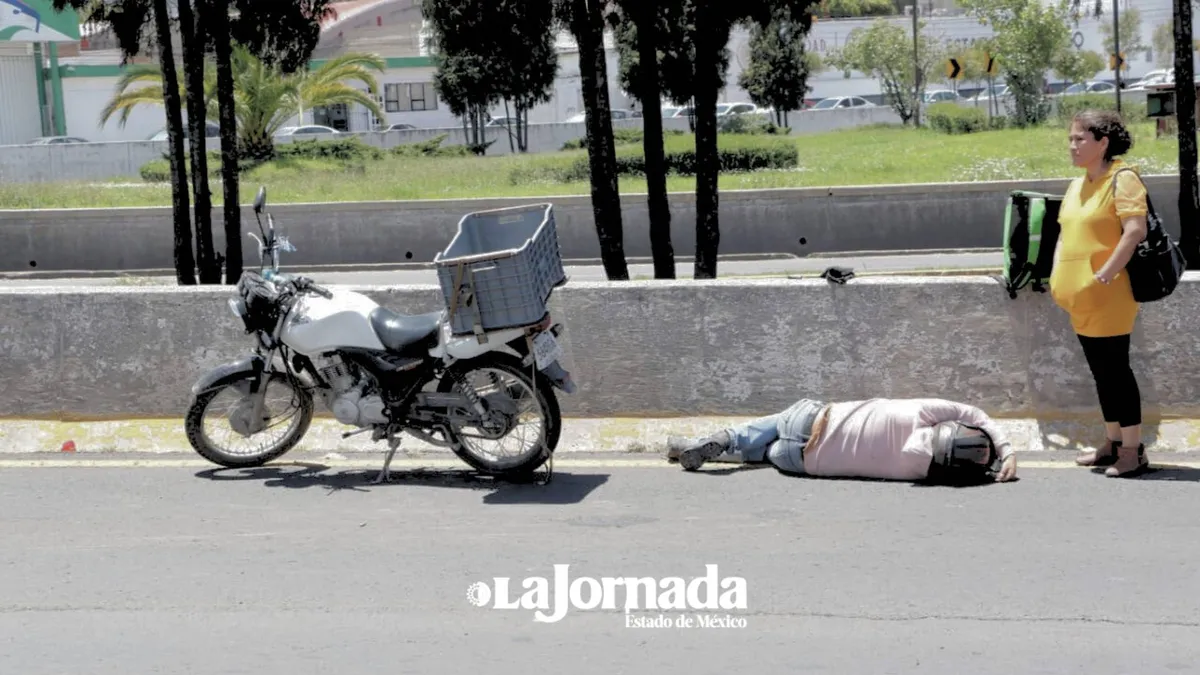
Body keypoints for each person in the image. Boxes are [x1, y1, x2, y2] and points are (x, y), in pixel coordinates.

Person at [1049, 110, 1149, 478]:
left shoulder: (1122, 179)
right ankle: (1111, 442)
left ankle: (1133, 450)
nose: (1072, 146)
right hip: (1079, 296)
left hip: (1109, 294)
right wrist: (1059, 274)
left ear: (1102, 142)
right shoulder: (1077, 185)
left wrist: (1106, 274)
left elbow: (1134, 231)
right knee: (1100, 373)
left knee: (1116, 371)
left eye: (1080, 139)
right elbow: (1064, 234)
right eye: (1070, 139)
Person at [666, 397, 1018, 484]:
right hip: (799, 462)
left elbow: (974, 412)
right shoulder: (919, 473)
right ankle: (711, 449)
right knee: (764, 453)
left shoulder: (923, 412)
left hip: (810, 419)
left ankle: (723, 439)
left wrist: (1006, 449)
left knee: (773, 425)